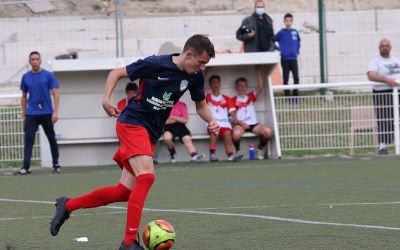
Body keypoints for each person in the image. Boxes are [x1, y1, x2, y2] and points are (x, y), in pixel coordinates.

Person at [49, 34, 219, 250]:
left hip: (149, 134)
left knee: (124, 191)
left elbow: (201, 106)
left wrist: (212, 120)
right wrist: (106, 99)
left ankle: (67, 205)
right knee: (146, 177)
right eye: (201, 62)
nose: (202, 67)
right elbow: (117, 73)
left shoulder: (195, 76)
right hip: (132, 123)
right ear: (188, 55)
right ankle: (128, 242)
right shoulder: (155, 63)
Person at [17, 51, 60, 175]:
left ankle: (56, 164)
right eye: (32, 59)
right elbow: (24, 97)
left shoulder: (48, 75)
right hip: (31, 114)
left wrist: (55, 112)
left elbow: (56, 94)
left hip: (47, 113)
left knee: (51, 138)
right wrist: (24, 114)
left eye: (37, 59)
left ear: (40, 61)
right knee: (28, 140)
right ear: (30, 62)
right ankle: (26, 167)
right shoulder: (26, 77)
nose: (35, 61)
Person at [367, 38, 400, 155]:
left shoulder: (397, 60)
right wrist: (387, 81)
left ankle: (398, 144)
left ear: (390, 47)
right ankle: (382, 146)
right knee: (383, 118)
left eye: (387, 45)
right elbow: (371, 75)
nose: (385, 47)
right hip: (382, 93)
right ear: (379, 48)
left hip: (397, 92)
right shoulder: (375, 61)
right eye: (382, 46)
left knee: (397, 119)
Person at [231, 77, 273, 160]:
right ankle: (238, 152)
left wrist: (258, 69)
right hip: (240, 125)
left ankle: (259, 149)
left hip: (253, 124)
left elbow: (260, 86)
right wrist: (242, 123)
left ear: (246, 87)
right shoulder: (233, 100)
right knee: (236, 134)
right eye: (240, 86)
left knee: (268, 132)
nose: (242, 88)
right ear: (236, 87)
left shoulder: (250, 96)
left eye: (244, 86)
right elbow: (233, 118)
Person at [206, 75, 242, 162]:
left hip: (225, 124)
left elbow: (232, 113)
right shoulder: (207, 96)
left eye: (217, 82)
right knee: (214, 131)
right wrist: (206, 71)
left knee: (228, 135)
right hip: (212, 123)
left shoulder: (226, 98)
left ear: (220, 84)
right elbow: (200, 83)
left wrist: (235, 120)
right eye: (213, 83)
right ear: (210, 84)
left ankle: (230, 155)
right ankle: (212, 154)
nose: (216, 85)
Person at [275, 13, 301, 100]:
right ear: (284, 21)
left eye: (290, 20)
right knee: (286, 78)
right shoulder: (281, 32)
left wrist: (297, 51)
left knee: (296, 78)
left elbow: (298, 42)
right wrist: (279, 49)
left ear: (292, 21)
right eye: (287, 20)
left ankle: (296, 96)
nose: (288, 22)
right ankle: (287, 97)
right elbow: (272, 40)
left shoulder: (295, 32)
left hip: (293, 59)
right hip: (285, 59)